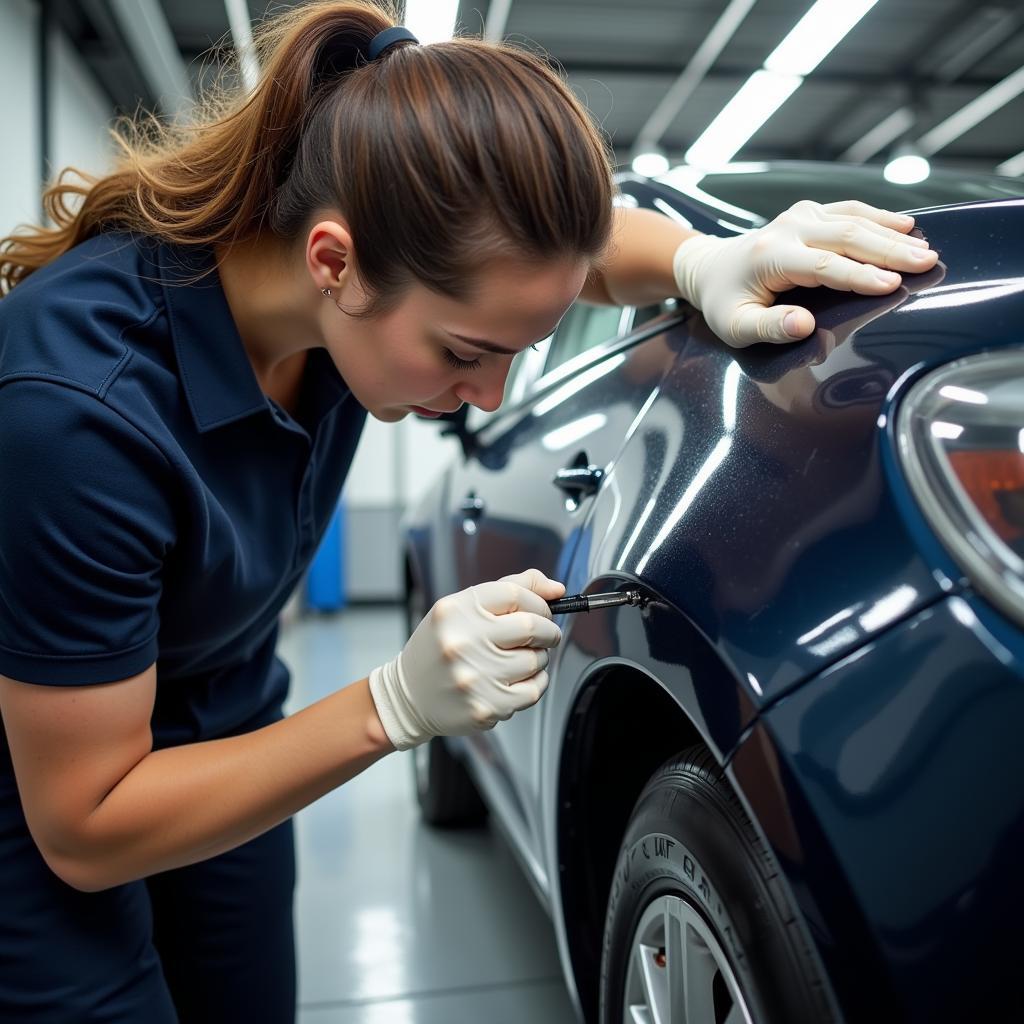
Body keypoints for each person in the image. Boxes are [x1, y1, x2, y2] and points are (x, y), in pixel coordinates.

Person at [0, 1, 938, 1020]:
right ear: (333, 262)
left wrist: (699, 262)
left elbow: (570, 256)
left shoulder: (355, 286)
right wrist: (387, 707)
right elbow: (84, 825)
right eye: (462, 352)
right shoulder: (77, 412)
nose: (486, 397)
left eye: (512, 353)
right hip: (52, 772)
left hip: (222, 701)